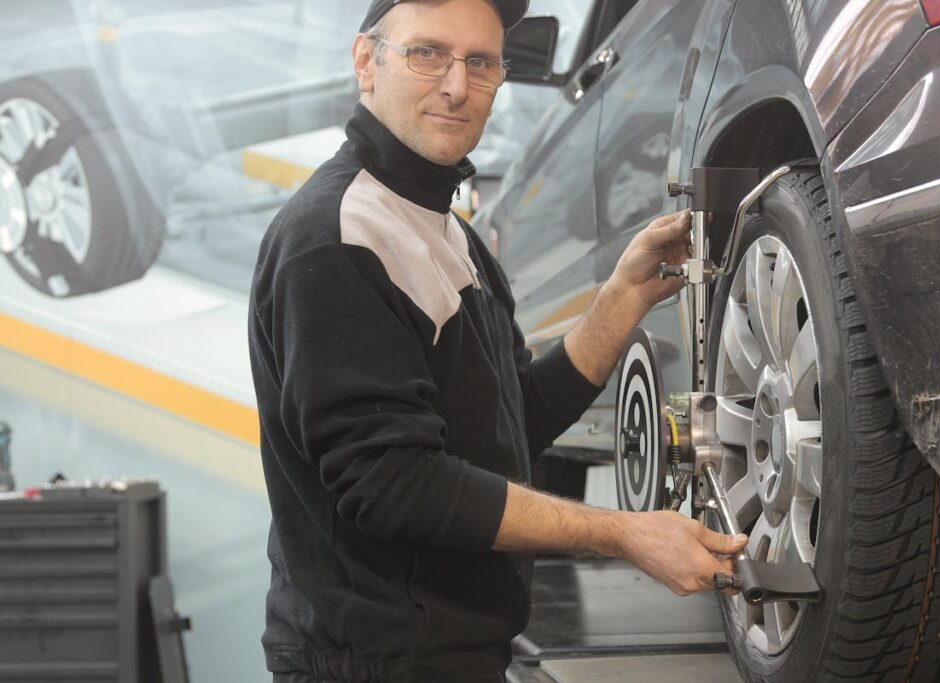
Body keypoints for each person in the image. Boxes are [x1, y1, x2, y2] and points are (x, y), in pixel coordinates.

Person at [247, 0, 748, 680]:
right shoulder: (336, 238)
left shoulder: (451, 235)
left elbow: (517, 418)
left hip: (455, 656)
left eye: (479, 62)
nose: (457, 85)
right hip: (372, 665)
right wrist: (624, 532)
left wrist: (622, 296)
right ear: (367, 62)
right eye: (428, 53)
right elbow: (395, 484)